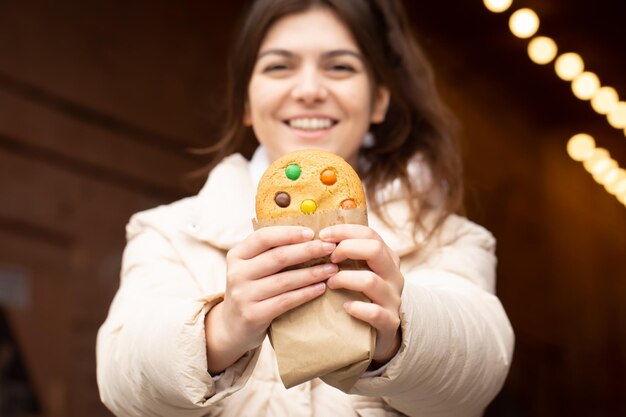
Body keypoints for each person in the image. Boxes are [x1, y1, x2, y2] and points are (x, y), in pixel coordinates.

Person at [96, 0, 514, 416]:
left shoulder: (446, 238)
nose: (310, 90)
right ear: (245, 100)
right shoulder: (170, 233)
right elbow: (121, 381)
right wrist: (220, 331)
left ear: (379, 100)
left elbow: (480, 373)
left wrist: (400, 331)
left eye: (340, 67)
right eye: (279, 67)